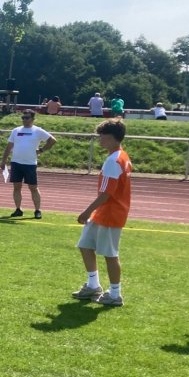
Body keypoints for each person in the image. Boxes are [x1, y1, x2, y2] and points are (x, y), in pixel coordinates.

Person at [71, 119, 132, 307]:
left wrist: (86, 211)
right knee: (85, 245)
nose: (100, 140)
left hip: (110, 213)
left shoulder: (114, 160)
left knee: (110, 254)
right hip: (103, 212)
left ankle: (115, 294)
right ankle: (93, 285)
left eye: (103, 136)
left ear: (113, 138)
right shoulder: (119, 156)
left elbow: (107, 193)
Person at [0, 109, 57, 219]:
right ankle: (18, 209)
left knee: (33, 187)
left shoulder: (37, 131)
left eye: (27, 118)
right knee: (16, 187)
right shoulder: (16, 131)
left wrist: (42, 150)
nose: (24, 120)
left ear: (33, 119)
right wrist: (3, 160)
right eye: (23, 118)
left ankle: (37, 210)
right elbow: (9, 146)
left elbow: (52, 140)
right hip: (16, 162)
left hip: (30, 164)